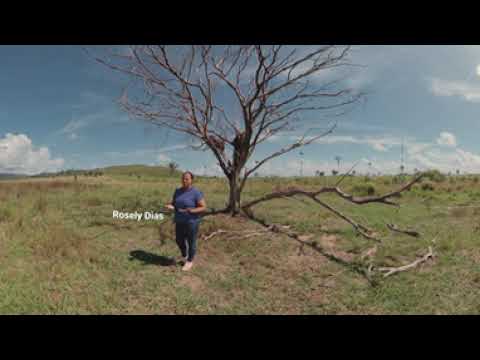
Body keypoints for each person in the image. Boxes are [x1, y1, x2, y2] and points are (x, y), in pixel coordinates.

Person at [165, 171, 206, 271]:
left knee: (191, 242)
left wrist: (192, 210)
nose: (184, 180)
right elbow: (174, 202)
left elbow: (203, 207)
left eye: (187, 179)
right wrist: (169, 206)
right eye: (183, 178)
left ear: (191, 180)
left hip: (191, 222)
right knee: (179, 240)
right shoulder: (177, 191)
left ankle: (190, 261)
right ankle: (184, 255)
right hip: (179, 221)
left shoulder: (196, 192)